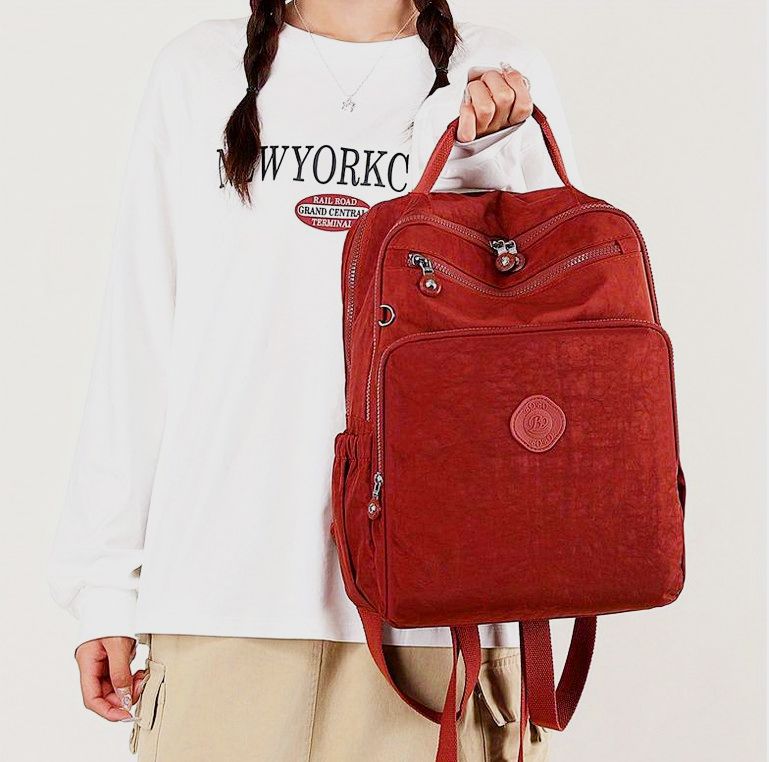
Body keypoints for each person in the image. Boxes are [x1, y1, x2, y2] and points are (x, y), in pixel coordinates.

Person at [46, 1, 582, 760]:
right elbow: (140, 334)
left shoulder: (495, 71)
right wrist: (103, 582)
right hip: (222, 602)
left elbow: (548, 355)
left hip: (442, 616)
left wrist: (486, 167)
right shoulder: (199, 70)